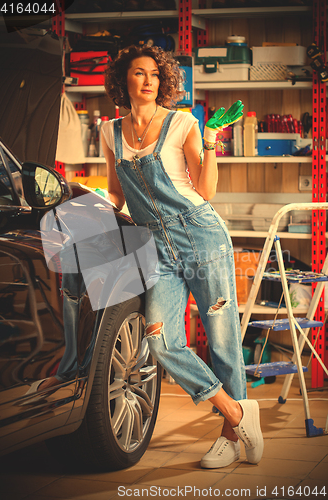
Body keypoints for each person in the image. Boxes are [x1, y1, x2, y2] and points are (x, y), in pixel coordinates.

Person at [101, 44, 263, 469]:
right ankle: (237, 411)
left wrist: (210, 143)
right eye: (139, 73)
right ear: (124, 80)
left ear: (163, 80)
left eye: (155, 73)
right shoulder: (109, 132)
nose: (148, 80)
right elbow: (117, 195)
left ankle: (230, 437)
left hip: (200, 236)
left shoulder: (182, 122)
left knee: (222, 336)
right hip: (154, 245)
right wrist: (86, 209)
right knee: (160, 339)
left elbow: (206, 191)